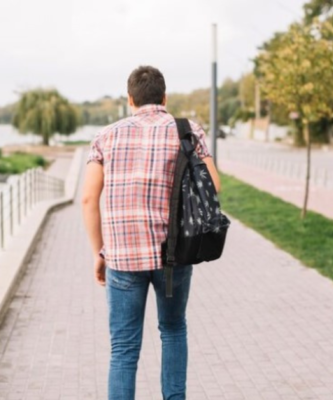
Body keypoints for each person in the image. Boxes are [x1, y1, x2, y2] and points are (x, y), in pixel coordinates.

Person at [81, 65, 221, 400]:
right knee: (173, 330)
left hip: (122, 258)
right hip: (174, 254)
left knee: (124, 350)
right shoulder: (188, 131)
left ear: (130, 99)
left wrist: (99, 252)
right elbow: (213, 186)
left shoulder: (106, 136)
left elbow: (88, 198)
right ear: (164, 97)